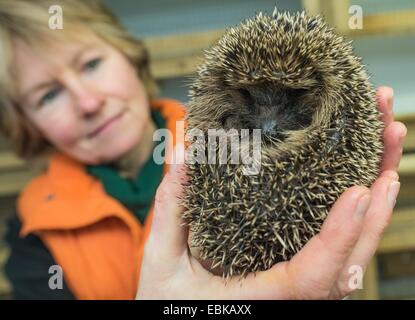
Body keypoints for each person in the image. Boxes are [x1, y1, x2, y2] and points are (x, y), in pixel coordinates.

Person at [0, 0, 407, 300]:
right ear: (25, 124)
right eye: (48, 95)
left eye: (90, 64)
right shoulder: (33, 236)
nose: (87, 102)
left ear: (129, 56)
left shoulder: (205, 141)